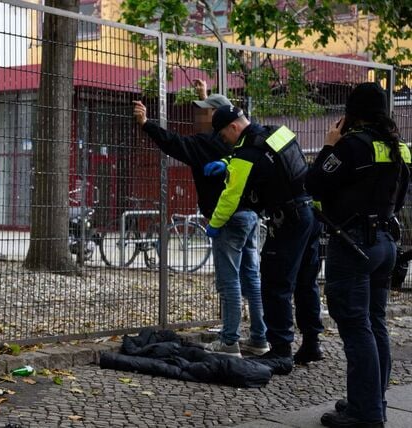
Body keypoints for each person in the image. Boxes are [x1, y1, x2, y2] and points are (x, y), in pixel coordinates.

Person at [133, 81, 267, 358]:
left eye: (204, 112)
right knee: (252, 278)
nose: (198, 116)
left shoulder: (204, 144)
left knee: (229, 280)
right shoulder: (244, 139)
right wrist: (205, 98)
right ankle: (259, 337)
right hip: (251, 216)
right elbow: (223, 114)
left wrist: (146, 123)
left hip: (228, 218)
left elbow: (173, 143)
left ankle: (230, 341)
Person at [306, 82, 409, 428]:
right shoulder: (398, 149)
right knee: (375, 323)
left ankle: (365, 415)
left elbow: (314, 184)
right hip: (384, 242)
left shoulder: (351, 147)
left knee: (356, 328)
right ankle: (371, 402)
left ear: (353, 114)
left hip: (353, 245)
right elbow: (400, 197)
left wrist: (327, 146)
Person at [204, 105, 324, 363]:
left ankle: (280, 351)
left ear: (233, 127)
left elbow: (231, 197)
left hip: (288, 220)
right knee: (305, 282)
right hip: (310, 214)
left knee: (275, 284)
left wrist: (214, 225)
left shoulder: (247, 153)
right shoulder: (277, 132)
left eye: (224, 135)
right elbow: (266, 161)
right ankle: (312, 343)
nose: (224, 141)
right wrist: (227, 163)